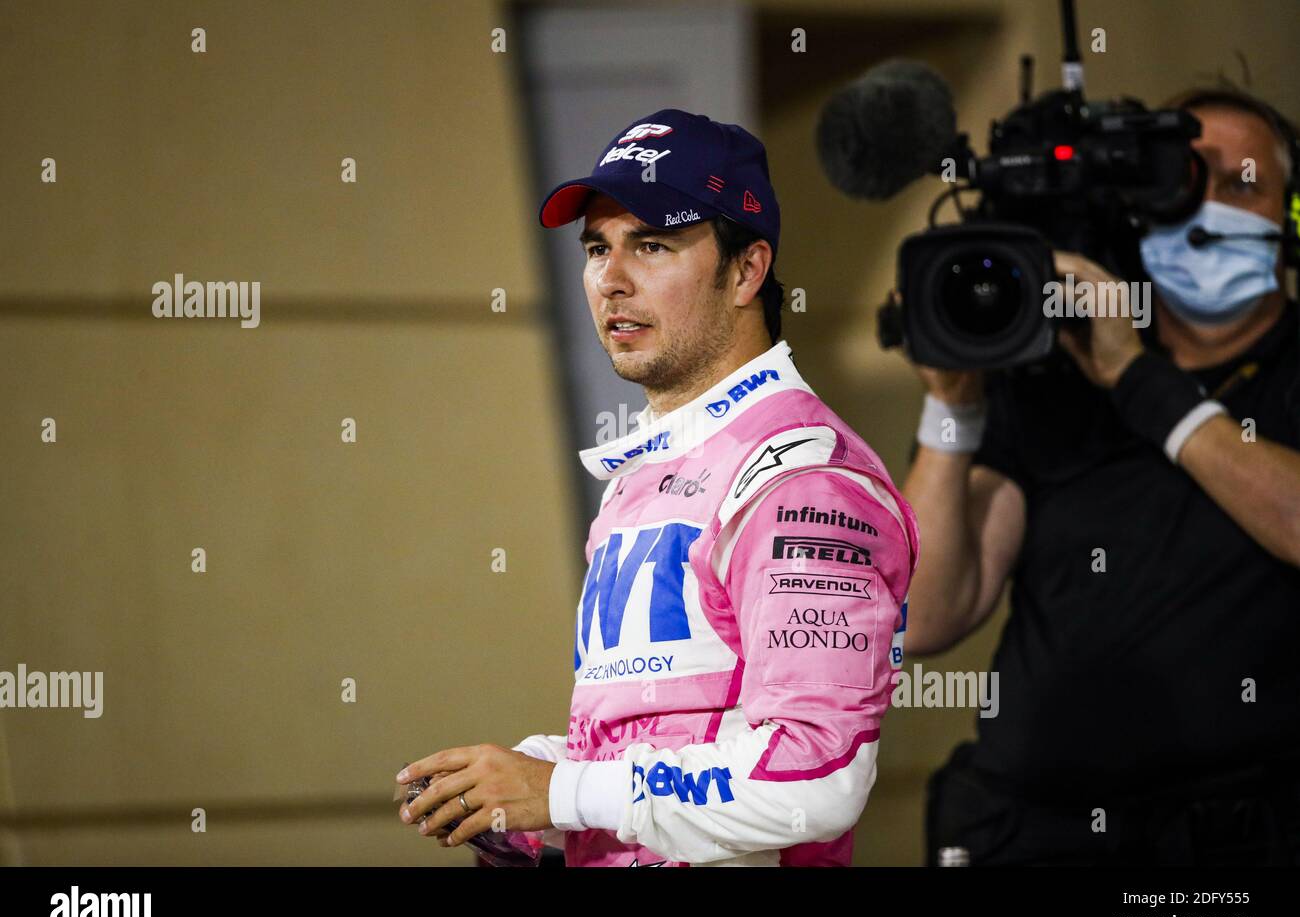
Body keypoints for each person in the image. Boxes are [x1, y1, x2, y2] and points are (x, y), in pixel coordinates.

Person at [396, 108, 919, 866]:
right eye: (597, 248)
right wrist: (517, 793)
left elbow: (818, 772)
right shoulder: (642, 479)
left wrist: (561, 791)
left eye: (652, 245)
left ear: (747, 270)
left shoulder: (804, 478)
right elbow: (651, 733)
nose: (611, 280)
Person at [904, 85, 1300, 865]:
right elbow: (923, 616)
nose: (1207, 208)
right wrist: (952, 409)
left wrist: (1141, 383)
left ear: (1290, 219)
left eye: (1242, 186)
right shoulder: (1059, 372)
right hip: (1036, 836)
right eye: (1181, 181)